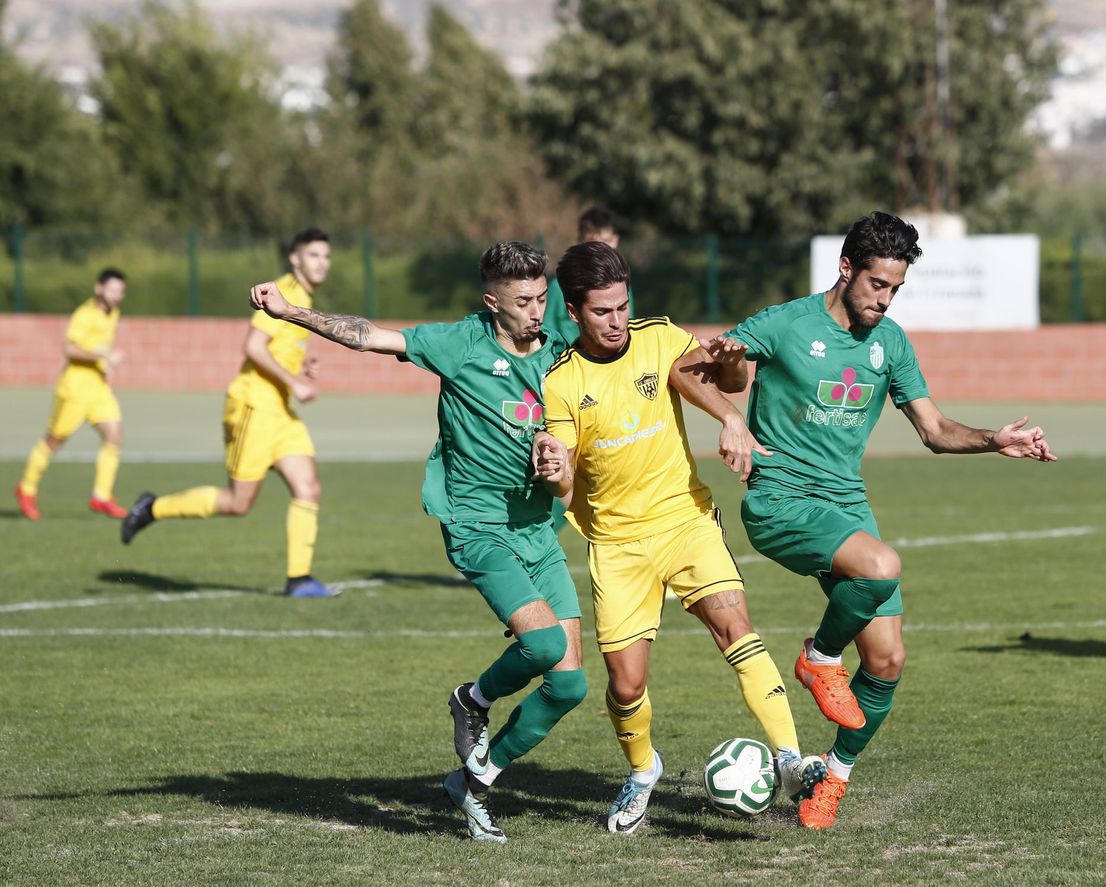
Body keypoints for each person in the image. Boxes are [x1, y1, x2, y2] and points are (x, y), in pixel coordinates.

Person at [674, 211, 1057, 829]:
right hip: (781, 499)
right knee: (882, 566)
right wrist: (732, 417)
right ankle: (820, 658)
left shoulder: (892, 342)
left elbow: (933, 429)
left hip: (845, 503)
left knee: (886, 659)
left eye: (896, 288)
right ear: (847, 268)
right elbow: (688, 369)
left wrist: (994, 440)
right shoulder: (786, 322)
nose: (885, 299)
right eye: (878, 284)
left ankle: (831, 780)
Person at [243, 241, 587, 843]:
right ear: (492, 302)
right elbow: (367, 336)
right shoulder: (459, 343)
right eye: (524, 301)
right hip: (479, 526)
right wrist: (290, 312)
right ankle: (473, 699)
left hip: (539, 530)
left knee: (570, 683)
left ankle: (473, 783)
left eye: (541, 297)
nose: (538, 311)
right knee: (542, 645)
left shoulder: (561, 352)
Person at [539, 240, 828, 834]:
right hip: (617, 545)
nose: (617, 321)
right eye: (602, 311)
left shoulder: (661, 338)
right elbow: (562, 477)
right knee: (626, 684)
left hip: (685, 522)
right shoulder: (561, 382)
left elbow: (726, 378)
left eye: (622, 306)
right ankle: (643, 771)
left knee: (736, 628)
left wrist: (729, 383)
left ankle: (790, 759)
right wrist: (554, 470)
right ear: (573, 312)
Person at [120, 229, 335, 597]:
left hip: (280, 412)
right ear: (295, 259)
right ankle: (152, 508)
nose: (322, 263)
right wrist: (295, 382)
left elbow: (278, 350)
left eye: (326, 256)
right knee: (238, 503)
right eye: (314, 255)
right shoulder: (283, 291)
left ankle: (299, 579)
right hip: (253, 407)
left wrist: (301, 371)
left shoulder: (301, 296)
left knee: (308, 487)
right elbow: (252, 346)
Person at [15, 268, 131, 520]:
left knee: (114, 435)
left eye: (120, 291)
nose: (116, 295)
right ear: (98, 287)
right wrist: (103, 356)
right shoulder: (85, 314)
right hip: (75, 388)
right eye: (111, 289)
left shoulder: (113, 314)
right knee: (54, 441)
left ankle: (101, 495)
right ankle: (26, 488)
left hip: (98, 387)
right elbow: (68, 349)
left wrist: (106, 366)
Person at [543, 205, 622, 347]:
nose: (599, 251)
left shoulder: (621, 285)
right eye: (591, 243)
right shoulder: (558, 286)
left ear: (615, 241)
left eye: (605, 242)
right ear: (579, 241)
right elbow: (546, 333)